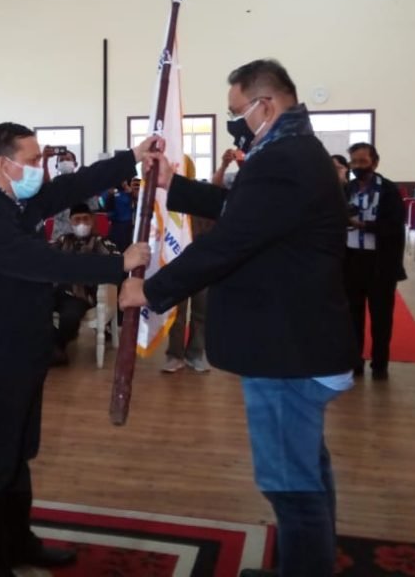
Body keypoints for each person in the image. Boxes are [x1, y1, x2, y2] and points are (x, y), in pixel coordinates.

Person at [119, 59, 357, 577]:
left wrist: (150, 291)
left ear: (264, 105)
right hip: (295, 342)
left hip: (286, 351)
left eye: (236, 111)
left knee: (291, 488)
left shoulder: (283, 158)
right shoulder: (293, 151)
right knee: (307, 473)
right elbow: (240, 209)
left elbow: (228, 242)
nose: (234, 122)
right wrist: (173, 184)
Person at [0, 122, 154, 577]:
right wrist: (118, 264)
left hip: (26, 349)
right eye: (32, 160)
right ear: (4, 164)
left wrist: (132, 157)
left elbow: (70, 186)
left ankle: (18, 542)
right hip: (0, 356)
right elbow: (44, 262)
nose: (40, 168)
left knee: (19, 453)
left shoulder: (14, 202)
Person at [343, 142, 407, 380]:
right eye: (354, 162)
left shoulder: (389, 190)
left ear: (375, 162)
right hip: (351, 260)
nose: (358, 166)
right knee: (352, 315)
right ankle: (355, 361)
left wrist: (364, 225)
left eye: (363, 161)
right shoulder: (345, 189)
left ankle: (380, 364)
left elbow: (395, 225)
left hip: (380, 262)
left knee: (381, 317)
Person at [49, 202, 119, 365]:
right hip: (58, 290)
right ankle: (50, 347)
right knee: (35, 307)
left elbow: (116, 263)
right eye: (77, 219)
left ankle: (56, 348)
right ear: (71, 222)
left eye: (85, 219)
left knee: (70, 316)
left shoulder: (101, 242)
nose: (81, 223)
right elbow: (47, 258)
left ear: (92, 220)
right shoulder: (64, 240)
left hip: (82, 294)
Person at [163, 155, 210, 374]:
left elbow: (212, 228)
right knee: (177, 312)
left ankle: (195, 354)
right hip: (177, 263)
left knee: (201, 311)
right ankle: (174, 355)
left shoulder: (201, 196)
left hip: (201, 261)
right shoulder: (167, 199)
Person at [46, 150, 101, 241]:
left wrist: (94, 238)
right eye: (61, 160)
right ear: (56, 166)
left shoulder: (85, 183)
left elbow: (93, 212)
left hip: (81, 236)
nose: (65, 162)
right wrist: (45, 161)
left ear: (75, 164)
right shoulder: (54, 186)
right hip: (59, 237)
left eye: (68, 159)